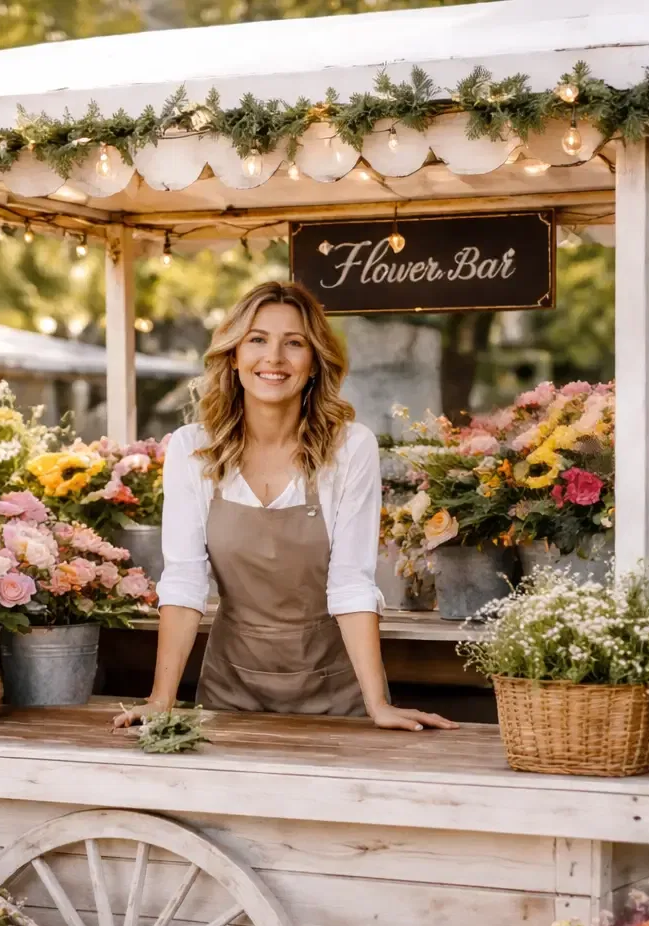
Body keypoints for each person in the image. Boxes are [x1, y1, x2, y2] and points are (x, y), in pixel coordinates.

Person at [112, 282, 456, 732]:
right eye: (257, 339)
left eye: (293, 343)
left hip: (336, 692)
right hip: (229, 691)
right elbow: (184, 579)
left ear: (314, 362)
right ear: (233, 356)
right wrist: (162, 698)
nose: (273, 358)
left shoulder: (351, 448)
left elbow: (351, 582)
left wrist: (378, 704)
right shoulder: (193, 449)